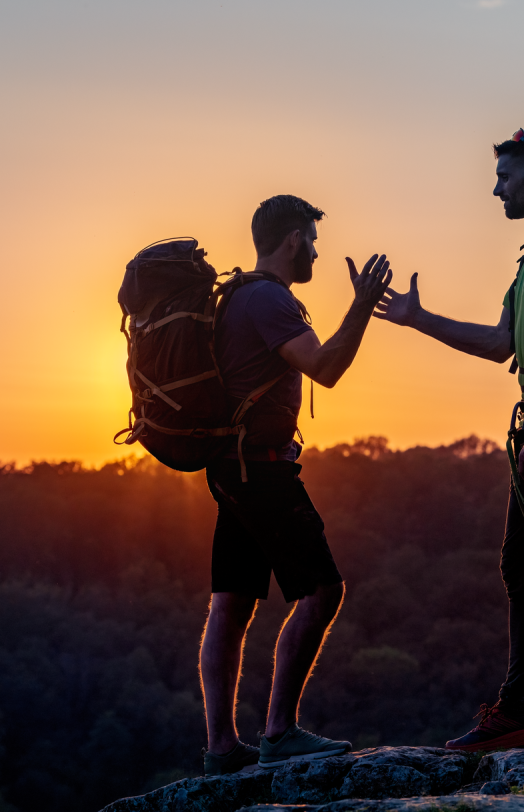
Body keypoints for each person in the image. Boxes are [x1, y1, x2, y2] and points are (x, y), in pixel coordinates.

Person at [374, 128, 524, 749]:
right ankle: (515, 709)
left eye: (505, 177)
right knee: (520, 565)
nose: (496, 188)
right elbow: (499, 344)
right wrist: (419, 319)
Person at [201, 194, 392, 775]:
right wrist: (361, 306)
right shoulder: (269, 300)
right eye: (312, 239)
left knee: (231, 603)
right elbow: (327, 368)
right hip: (260, 471)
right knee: (322, 590)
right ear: (291, 240)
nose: (315, 250)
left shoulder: (236, 296)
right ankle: (279, 733)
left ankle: (221, 749)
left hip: (232, 467)